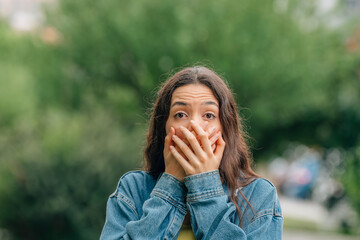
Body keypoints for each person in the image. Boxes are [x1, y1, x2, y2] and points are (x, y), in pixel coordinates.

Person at [100, 66, 283, 240]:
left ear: (225, 129)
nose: (194, 127)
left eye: (209, 115)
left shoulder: (258, 195)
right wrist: (170, 183)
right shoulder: (133, 189)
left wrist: (205, 185)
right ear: (164, 127)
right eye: (180, 114)